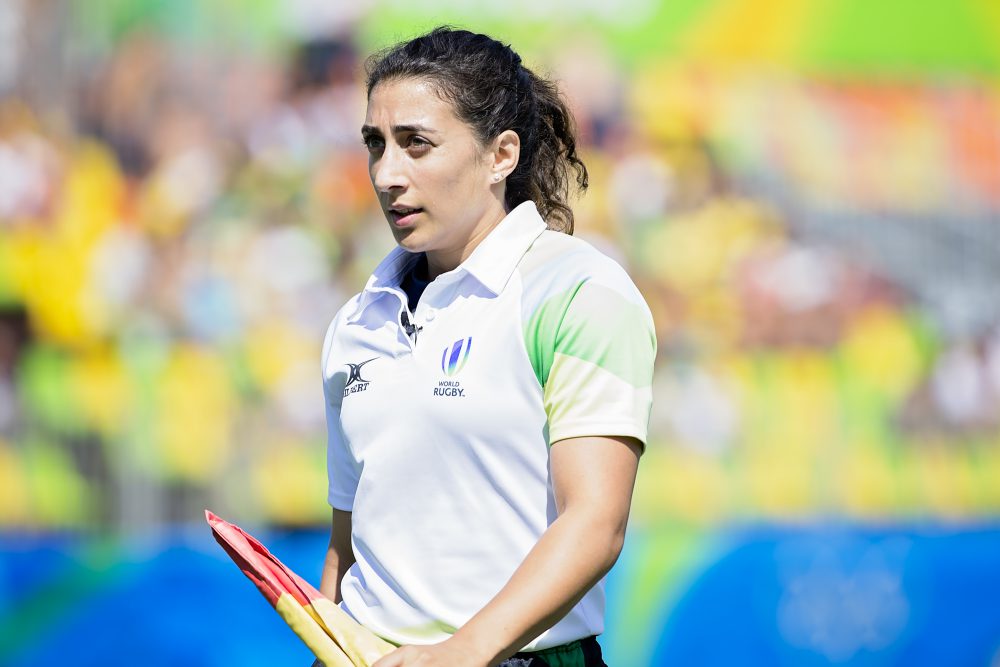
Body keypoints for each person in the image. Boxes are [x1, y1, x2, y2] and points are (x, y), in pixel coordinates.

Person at [318, 27, 655, 667]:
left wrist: (462, 653)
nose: (387, 173)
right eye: (375, 144)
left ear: (501, 155)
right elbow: (350, 542)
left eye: (417, 143)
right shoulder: (354, 322)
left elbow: (596, 523)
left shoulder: (577, 290)